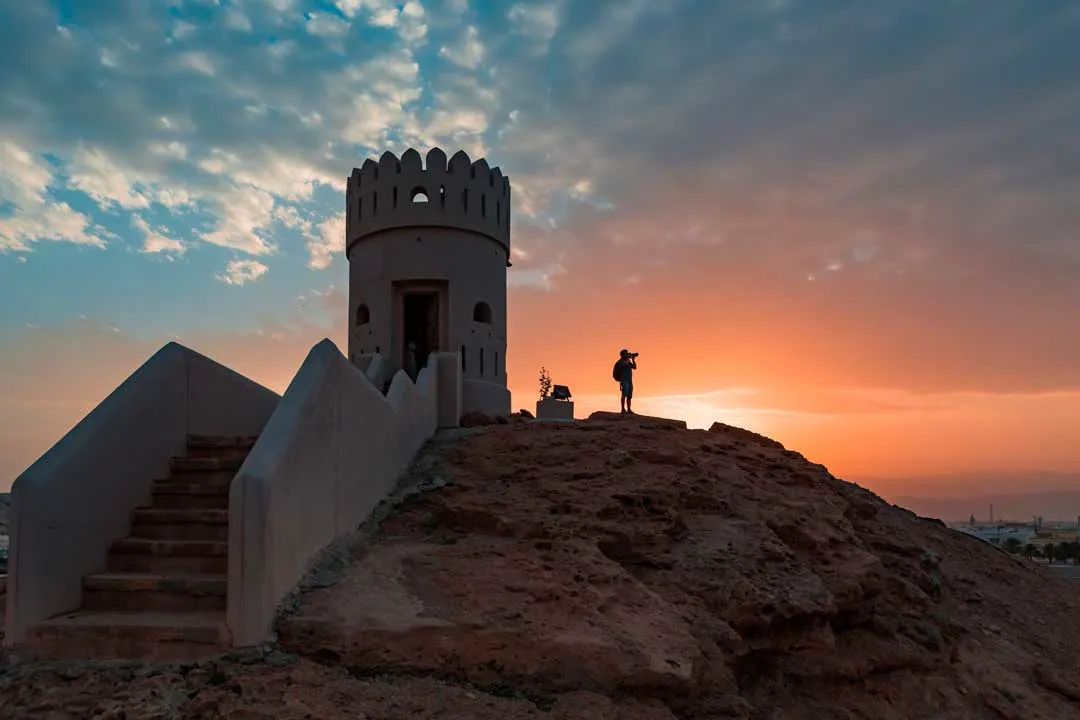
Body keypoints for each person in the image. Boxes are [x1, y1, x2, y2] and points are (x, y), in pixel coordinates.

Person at [615, 349, 637, 414]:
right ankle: (622, 409)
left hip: (629, 380)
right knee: (624, 395)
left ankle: (629, 409)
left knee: (629, 396)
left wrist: (633, 359)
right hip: (624, 380)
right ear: (623, 355)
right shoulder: (620, 362)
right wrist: (628, 357)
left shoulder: (628, 361)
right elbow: (623, 364)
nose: (627, 354)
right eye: (626, 353)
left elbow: (634, 367)